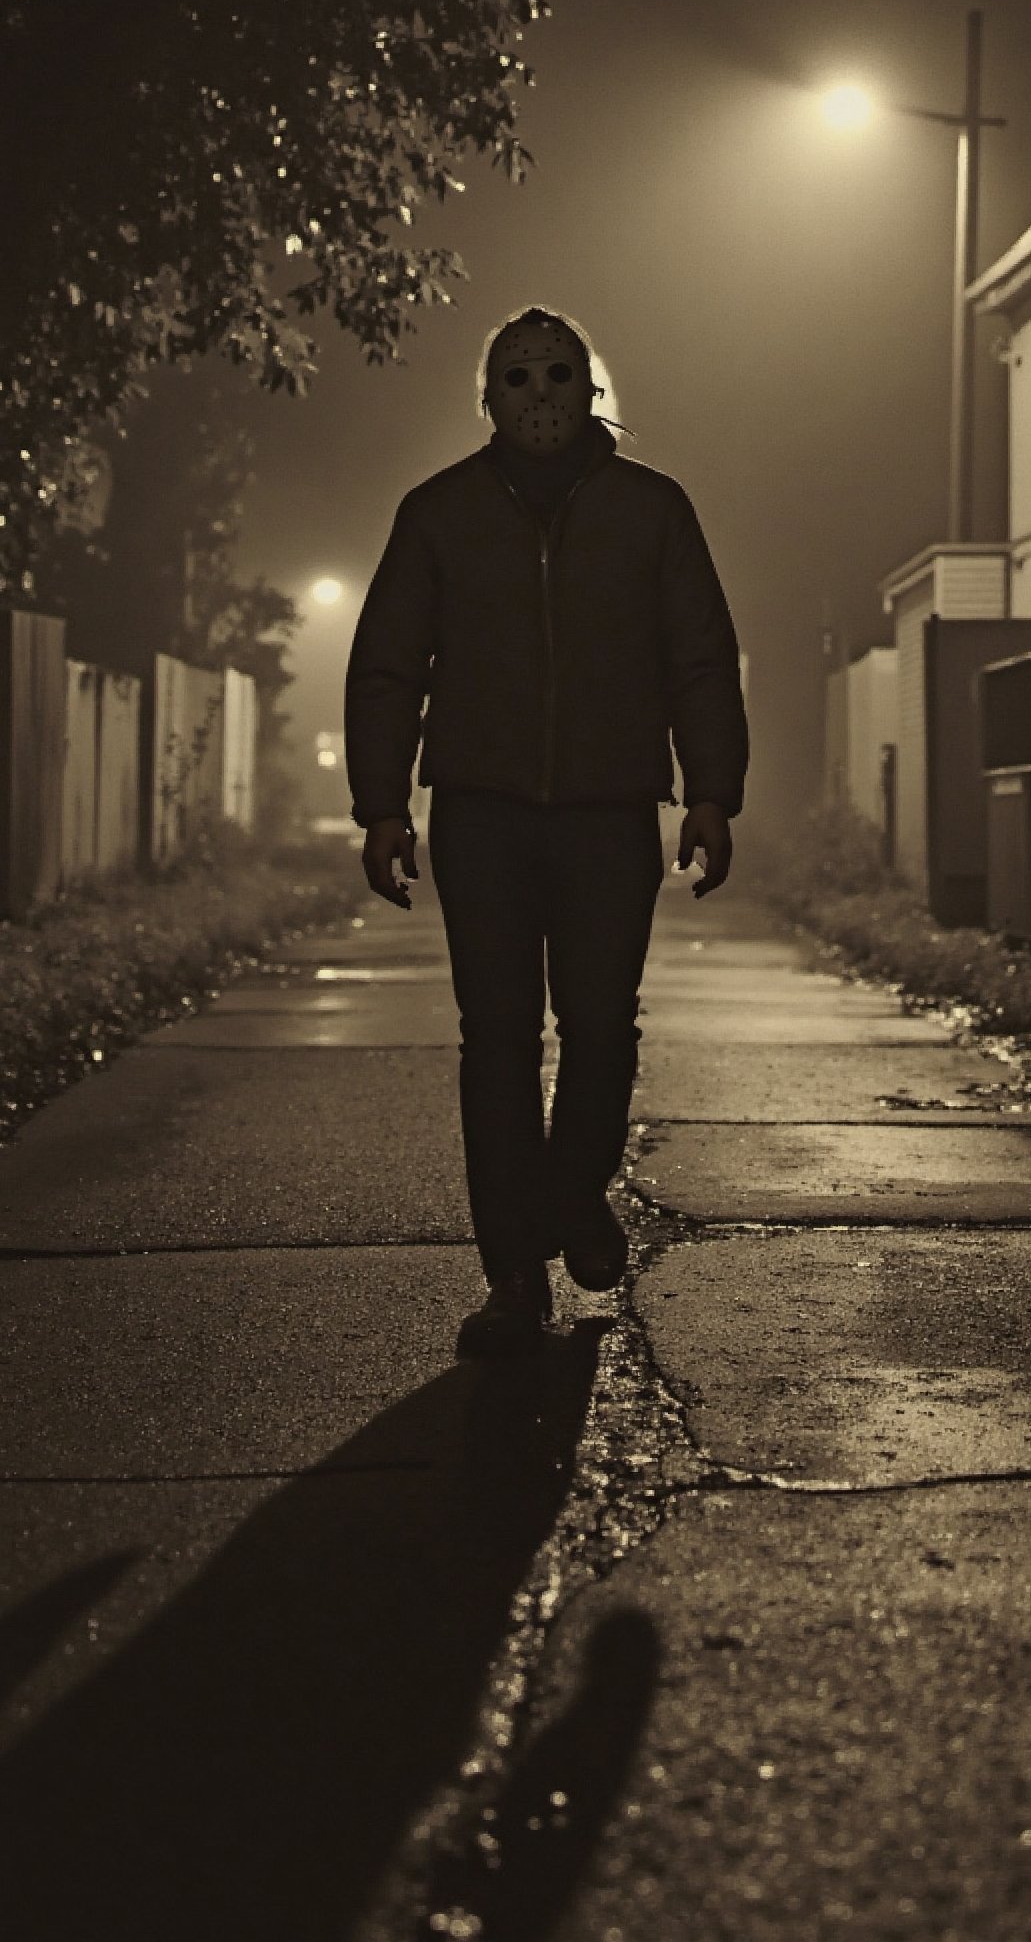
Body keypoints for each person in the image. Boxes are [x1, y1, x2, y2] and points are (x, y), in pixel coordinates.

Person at [344, 306, 748, 1358]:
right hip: (479, 814)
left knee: (603, 1026)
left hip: (612, 813)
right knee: (500, 1044)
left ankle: (571, 1199)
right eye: (515, 378)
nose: (539, 396)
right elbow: (389, 666)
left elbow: (699, 657)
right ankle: (515, 1273)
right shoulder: (437, 515)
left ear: (588, 389)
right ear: (488, 398)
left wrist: (712, 792)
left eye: (558, 375)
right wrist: (382, 808)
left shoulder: (652, 512)